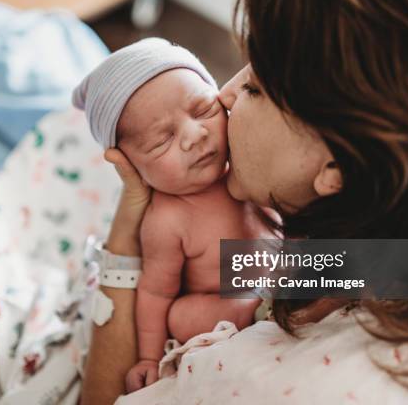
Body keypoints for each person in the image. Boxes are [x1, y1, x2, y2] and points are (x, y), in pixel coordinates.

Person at [80, 0, 408, 404]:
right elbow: (260, 271)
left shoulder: (273, 378)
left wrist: (123, 246)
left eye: (254, 88)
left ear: (334, 168)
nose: (224, 94)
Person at [72, 38, 264, 394]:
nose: (195, 136)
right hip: (217, 299)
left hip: (274, 273)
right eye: (161, 142)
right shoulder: (168, 219)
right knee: (183, 313)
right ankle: (254, 308)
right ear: (131, 166)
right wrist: (147, 357)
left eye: (204, 109)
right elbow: (156, 293)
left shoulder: (246, 157)